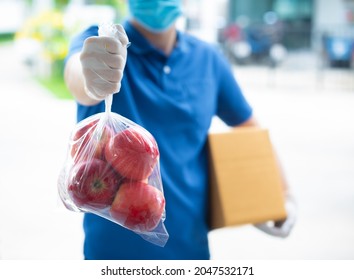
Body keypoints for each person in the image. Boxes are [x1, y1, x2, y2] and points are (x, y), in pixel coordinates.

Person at [64, 0, 296, 260]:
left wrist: (282, 194)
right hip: (113, 254)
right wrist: (92, 77)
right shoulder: (102, 43)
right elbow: (77, 76)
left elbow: (250, 130)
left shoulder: (208, 60)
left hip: (190, 248)